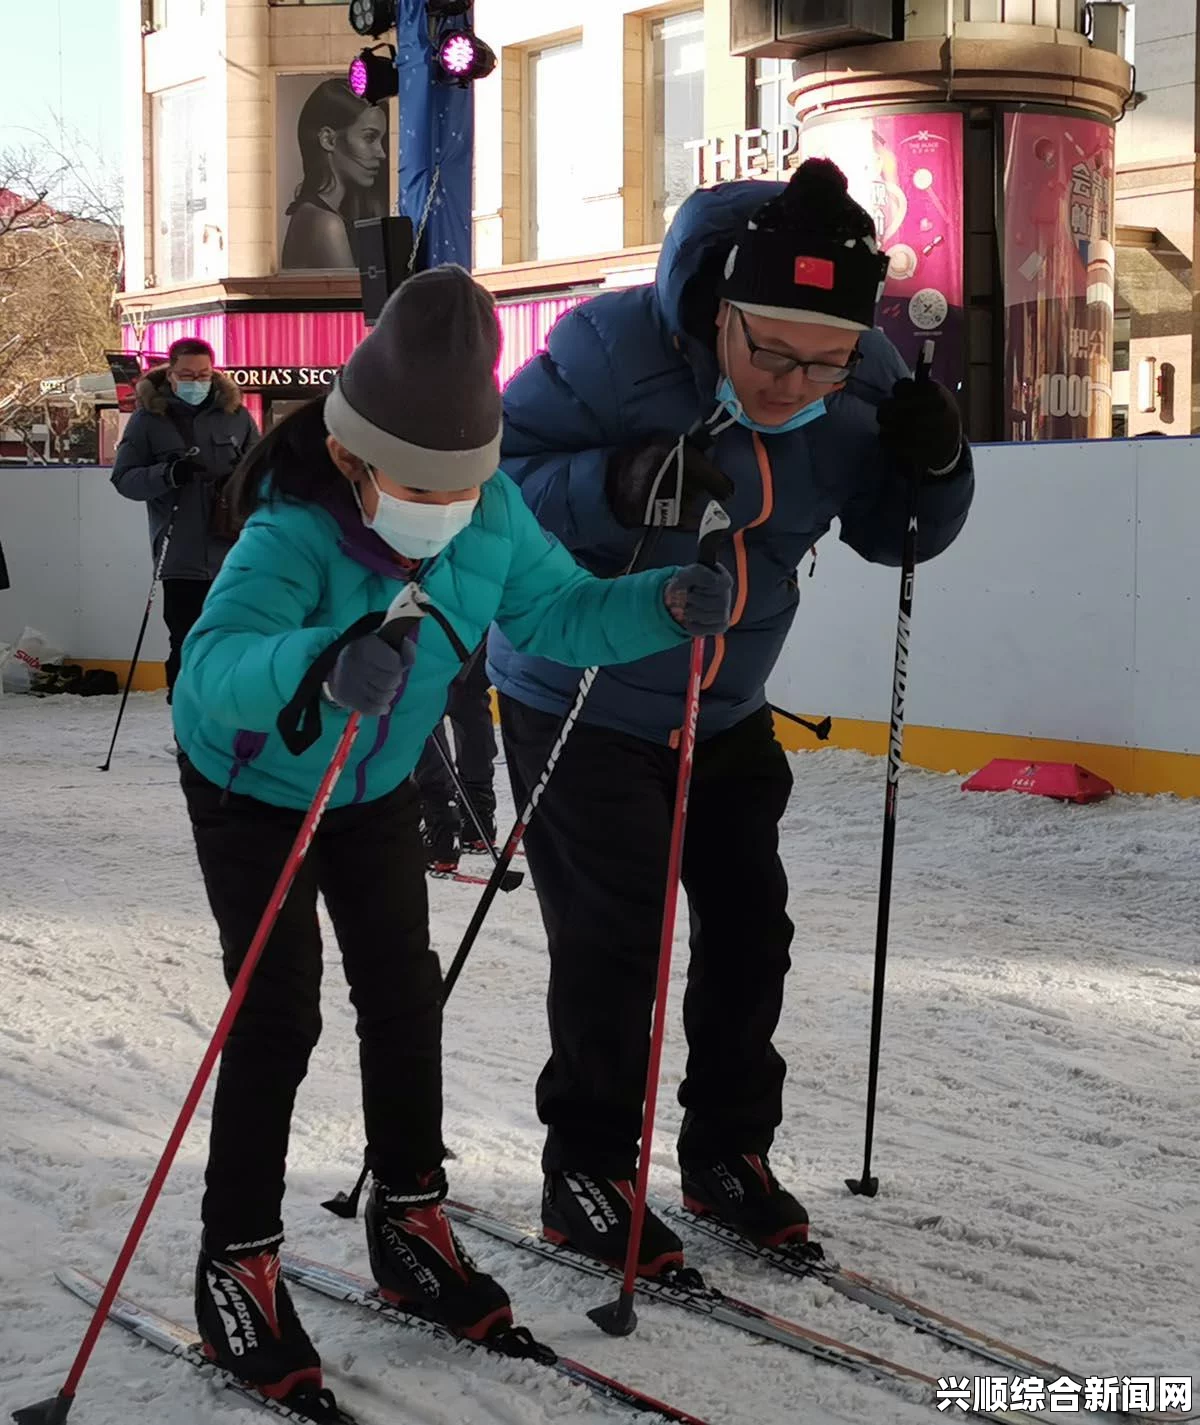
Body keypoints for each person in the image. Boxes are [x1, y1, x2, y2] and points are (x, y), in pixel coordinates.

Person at [169, 264, 731, 1417]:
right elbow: (204, 679)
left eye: (458, 485)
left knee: (403, 992)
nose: (439, 505)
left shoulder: (493, 517)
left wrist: (662, 604)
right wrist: (320, 662)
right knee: (277, 1009)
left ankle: (410, 1214)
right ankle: (236, 1257)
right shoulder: (289, 533)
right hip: (256, 786)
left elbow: (560, 612)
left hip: (372, 787)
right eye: (413, 483)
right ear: (350, 456)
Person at [489, 158, 975, 1274]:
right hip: (584, 691)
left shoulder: (863, 375)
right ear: (721, 314)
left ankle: (726, 1154)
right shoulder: (610, 350)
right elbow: (495, 487)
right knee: (615, 944)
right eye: (772, 355)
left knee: (752, 933)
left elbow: (898, 534)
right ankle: (587, 1173)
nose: (796, 385)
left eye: (827, 363)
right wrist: (616, 483)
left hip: (729, 706)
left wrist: (938, 468)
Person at [111, 338, 260, 698]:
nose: (197, 381)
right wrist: (168, 475)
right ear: (171, 374)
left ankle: (227, 723)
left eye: (204, 374)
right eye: (187, 374)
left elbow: (264, 472)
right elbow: (124, 479)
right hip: (180, 555)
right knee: (186, 642)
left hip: (234, 554)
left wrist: (239, 482)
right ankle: (185, 726)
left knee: (234, 641)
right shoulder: (148, 419)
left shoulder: (236, 415)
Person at [281, 78, 388, 271]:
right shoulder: (327, 223)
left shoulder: (317, 213)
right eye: (369, 137)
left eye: (381, 140)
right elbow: (354, 298)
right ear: (328, 140)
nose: (381, 153)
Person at [414, 644, 498, 873]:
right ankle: (478, 818)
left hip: (431, 624)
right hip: (478, 625)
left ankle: (442, 831)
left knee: (421, 699)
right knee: (469, 695)